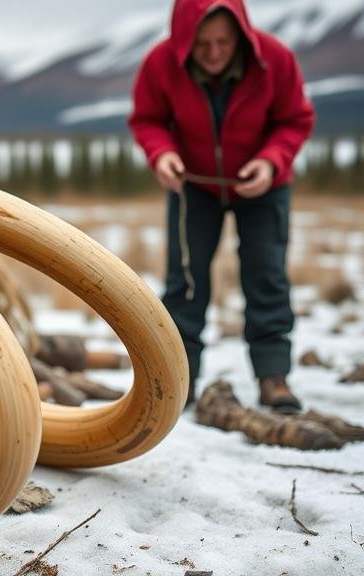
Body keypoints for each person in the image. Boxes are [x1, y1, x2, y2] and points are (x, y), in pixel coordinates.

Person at [128, 0, 315, 412]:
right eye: (202, 44)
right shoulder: (160, 64)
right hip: (193, 187)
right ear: (182, 42)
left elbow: (295, 120)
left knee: (266, 276)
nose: (213, 53)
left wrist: (270, 161)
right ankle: (182, 380)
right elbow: (147, 119)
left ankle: (273, 377)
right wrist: (161, 154)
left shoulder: (275, 60)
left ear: (241, 36)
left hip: (264, 185)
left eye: (223, 42)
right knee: (186, 282)